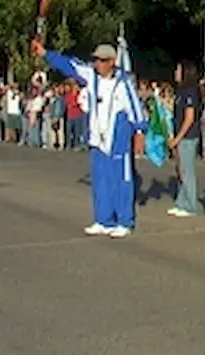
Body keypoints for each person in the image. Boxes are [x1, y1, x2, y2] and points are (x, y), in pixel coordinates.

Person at [32, 39, 146, 238]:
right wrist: (44, 53)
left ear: (112, 61)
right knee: (101, 180)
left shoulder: (124, 82)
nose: (97, 64)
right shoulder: (90, 76)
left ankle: (124, 221)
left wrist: (139, 133)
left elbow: (136, 109)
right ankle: (103, 219)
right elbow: (68, 65)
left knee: (121, 179)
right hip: (97, 137)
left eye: (101, 60)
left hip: (118, 137)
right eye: (95, 60)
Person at [167, 61, 201, 218]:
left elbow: (189, 118)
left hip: (188, 136)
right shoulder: (180, 91)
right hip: (178, 134)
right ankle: (181, 201)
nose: (175, 72)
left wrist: (178, 137)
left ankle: (190, 204)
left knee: (187, 171)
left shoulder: (191, 92)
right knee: (180, 169)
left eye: (178, 69)